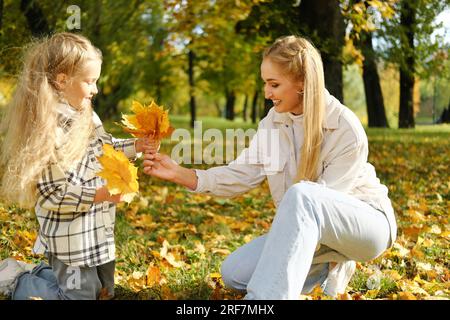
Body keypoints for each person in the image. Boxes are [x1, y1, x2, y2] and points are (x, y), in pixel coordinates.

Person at [142, 35, 397, 299]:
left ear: (303, 83)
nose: (267, 93)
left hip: (366, 226)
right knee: (234, 273)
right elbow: (241, 174)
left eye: (274, 84)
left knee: (303, 194)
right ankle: (328, 267)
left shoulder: (345, 127)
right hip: (315, 232)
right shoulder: (273, 123)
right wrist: (180, 173)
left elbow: (322, 203)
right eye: (265, 83)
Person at [0, 32, 152, 300]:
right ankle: (17, 280)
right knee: (76, 297)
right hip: (71, 237)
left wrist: (136, 146)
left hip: (97, 230)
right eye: (89, 81)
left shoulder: (86, 114)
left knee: (104, 291)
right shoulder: (47, 131)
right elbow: (53, 195)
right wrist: (100, 195)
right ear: (62, 80)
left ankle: (41, 275)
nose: (95, 89)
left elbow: (106, 149)